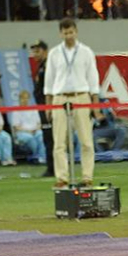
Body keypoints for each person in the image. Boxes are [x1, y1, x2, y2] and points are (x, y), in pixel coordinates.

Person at [43, 18, 100, 188]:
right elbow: (49, 80)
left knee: (86, 140)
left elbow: (93, 78)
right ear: (60, 34)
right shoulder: (54, 53)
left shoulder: (86, 52)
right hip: (60, 97)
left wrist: (95, 104)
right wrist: (48, 104)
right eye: (65, 33)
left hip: (81, 96)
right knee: (59, 142)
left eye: (71, 32)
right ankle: (62, 178)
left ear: (76, 31)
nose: (69, 36)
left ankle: (87, 177)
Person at [31, 40, 54, 177]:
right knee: (47, 138)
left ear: (45, 51)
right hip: (42, 106)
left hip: (48, 107)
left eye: (38, 51)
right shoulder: (41, 67)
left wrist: (48, 107)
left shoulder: (48, 67)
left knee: (51, 138)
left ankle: (53, 168)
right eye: (34, 51)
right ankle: (52, 167)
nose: (35, 54)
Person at [11, 89, 46, 164]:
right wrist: (28, 131)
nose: (25, 100)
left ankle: (42, 158)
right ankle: (35, 156)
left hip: (35, 131)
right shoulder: (16, 110)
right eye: (23, 98)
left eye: (27, 98)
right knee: (31, 139)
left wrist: (35, 129)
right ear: (19, 99)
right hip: (22, 132)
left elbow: (39, 123)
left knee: (41, 135)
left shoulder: (33, 109)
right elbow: (16, 127)